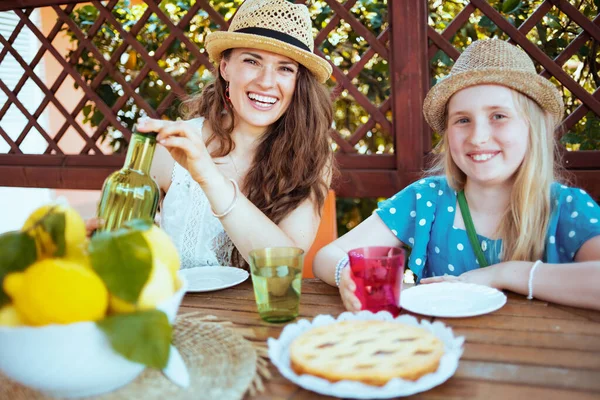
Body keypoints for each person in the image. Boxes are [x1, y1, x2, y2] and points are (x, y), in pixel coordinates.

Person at [313, 39, 600, 311]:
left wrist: (505, 273)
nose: (478, 137)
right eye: (462, 120)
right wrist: (347, 274)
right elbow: (328, 256)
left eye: (498, 116)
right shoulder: (426, 198)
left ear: (532, 128)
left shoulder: (567, 208)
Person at [88, 0, 334, 270]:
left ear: (298, 82)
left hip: (261, 312)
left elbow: (283, 267)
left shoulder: (312, 158)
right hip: (178, 310)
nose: (266, 81)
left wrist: (208, 176)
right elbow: (115, 245)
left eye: (285, 68)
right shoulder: (173, 148)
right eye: (252, 61)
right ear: (225, 68)